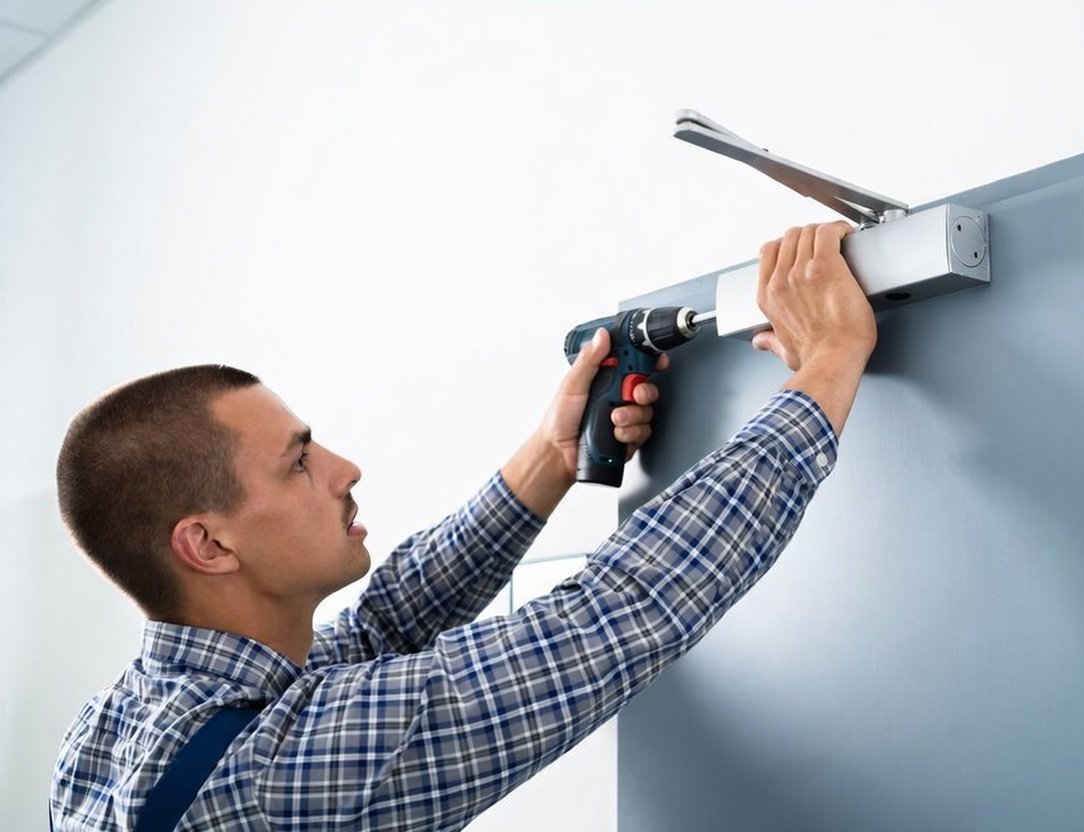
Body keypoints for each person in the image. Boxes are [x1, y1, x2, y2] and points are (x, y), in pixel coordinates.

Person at [49, 221, 876, 830]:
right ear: (209, 544)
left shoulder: (120, 728)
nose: (344, 469)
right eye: (298, 462)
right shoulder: (274, 775)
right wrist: (831, 360)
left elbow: (386, 625)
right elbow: (612, 617)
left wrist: (552, 455)